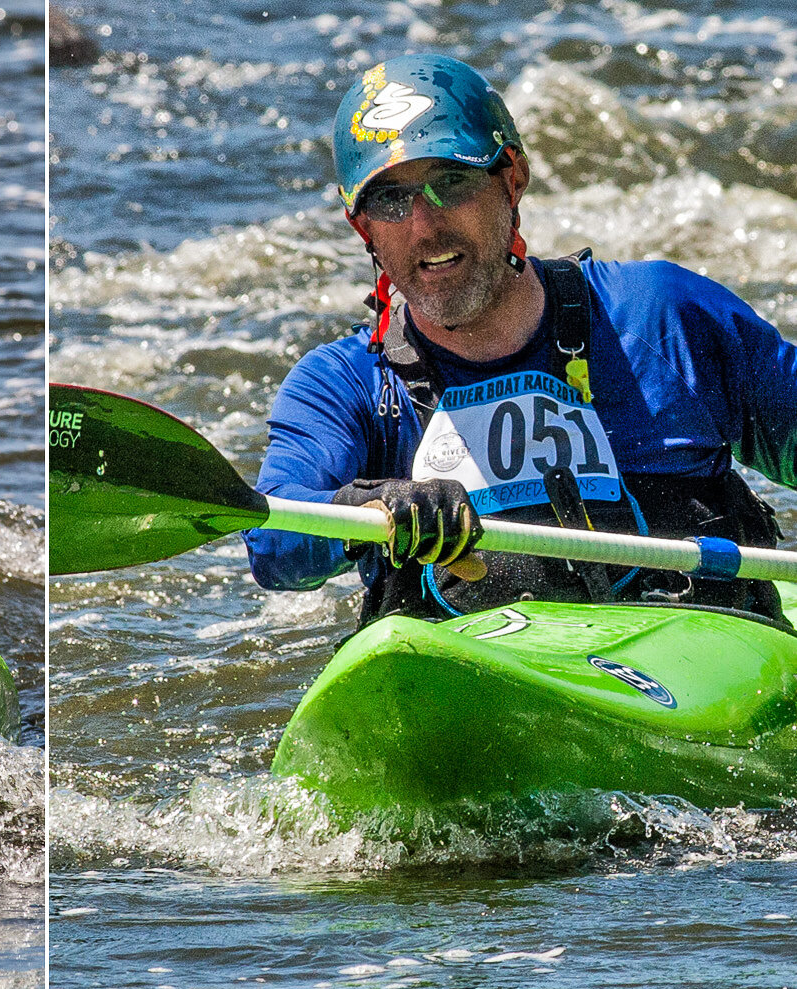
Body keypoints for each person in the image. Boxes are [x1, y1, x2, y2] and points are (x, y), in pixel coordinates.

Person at [245, 52, 797, 627]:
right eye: (391, 198)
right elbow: (274, 544)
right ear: (363, 227)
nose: (424, 225)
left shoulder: (662, 320)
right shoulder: (345, 387)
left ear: (513, 181)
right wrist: (369, 505)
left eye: (450, 183)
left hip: (700, 660)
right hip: (479, 688)